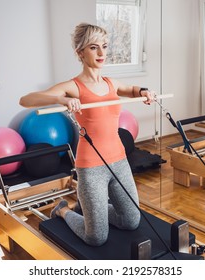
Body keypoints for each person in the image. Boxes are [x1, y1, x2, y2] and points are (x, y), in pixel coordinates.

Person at [19, 23, 154, 246]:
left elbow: (131, 90)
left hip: (119, 161)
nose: (102, 53)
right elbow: (25, 100)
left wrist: (144, 92)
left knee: (131, 220)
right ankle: (62, 211)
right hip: (91, 167)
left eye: (104, 46)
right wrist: (61, 99)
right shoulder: (74, 86)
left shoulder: (111, 83)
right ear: (80, 52)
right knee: (96, 237)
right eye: (94, 47)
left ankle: (91, 207)